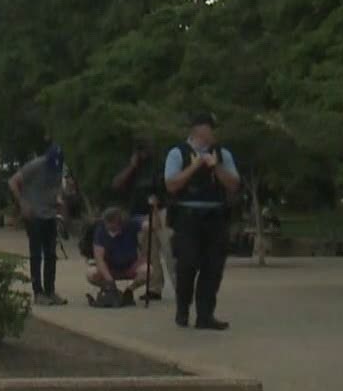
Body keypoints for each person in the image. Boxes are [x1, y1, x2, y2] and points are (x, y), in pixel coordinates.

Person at [165, 113, 240, 330]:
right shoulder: (178, 153)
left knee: (213, 267)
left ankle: (205, 314)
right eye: (210, 128)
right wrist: (196, 166)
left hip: (215, 216)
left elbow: (233, 185)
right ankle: (182, 308)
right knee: (187, 263)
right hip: (187, 217)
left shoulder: (222, 154)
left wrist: (216, 166)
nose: (213, 133)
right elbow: (171, 185)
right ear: (198, 129)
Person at [10, 144, 68, 306]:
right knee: (36, 254)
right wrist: (22, 203)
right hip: (34, 215)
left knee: (51, 254)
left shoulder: (59, 168)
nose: (54, 167)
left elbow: (56, 189)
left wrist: (58, 200)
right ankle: (38, 292)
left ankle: (50, 290)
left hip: (49, 214)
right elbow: (13, 182)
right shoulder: (36, 165)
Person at [113, 141, 168, 302]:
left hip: (157, 211)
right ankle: (154, 288)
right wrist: (132, 167)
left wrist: (156, 210)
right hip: (137, 215)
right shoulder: (132, 168)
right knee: (148, 252)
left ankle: (180, 286)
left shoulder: (158, 165)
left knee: (169, 251)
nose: (142, 154)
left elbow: (162, 189)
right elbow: (116, 185)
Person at [87, 206, 149, 307]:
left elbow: (150, 226)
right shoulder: (100, 230)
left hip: (129, 267)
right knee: (91, 274)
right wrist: (110, 281)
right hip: (110, 269)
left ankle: (129, 291)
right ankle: (109, 289)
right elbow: (99, 259)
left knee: (148, 271)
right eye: (107, 222)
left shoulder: (131, 224)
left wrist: (154, 209)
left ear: (119, 222)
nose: (108, 225)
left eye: (111, 222)